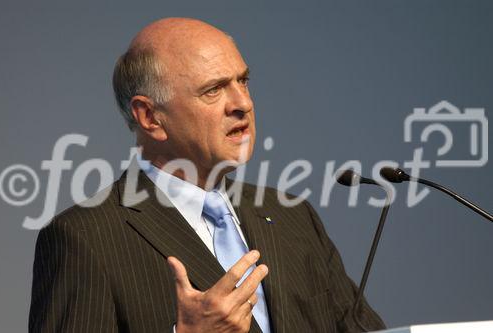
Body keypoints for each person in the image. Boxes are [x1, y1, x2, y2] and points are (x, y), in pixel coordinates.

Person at [29, 17, 385, 332]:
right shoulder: (85, 238)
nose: (242, 103)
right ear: (150, 117)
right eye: (213, 89)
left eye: (242, 81)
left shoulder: (293, 216)